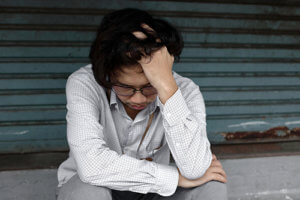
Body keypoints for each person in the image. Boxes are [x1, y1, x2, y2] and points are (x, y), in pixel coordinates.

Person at [56, 8, 227, 200]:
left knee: (212, 186)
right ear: (108, 74)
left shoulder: (185, 90)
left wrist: (166, 87)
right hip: (98, 186)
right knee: (88, 193)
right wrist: (174, 178)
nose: (138, 99)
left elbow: (195, 169)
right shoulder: (84, 83)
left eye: (148, 87)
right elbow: (91, 166)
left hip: (155, 192)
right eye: (125, 87)